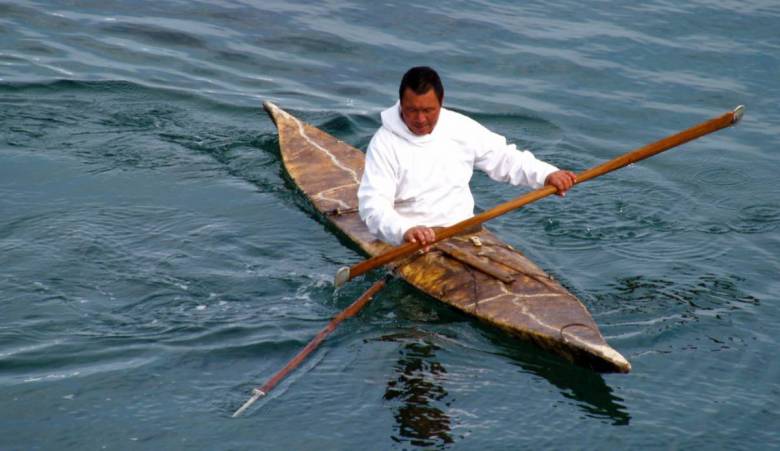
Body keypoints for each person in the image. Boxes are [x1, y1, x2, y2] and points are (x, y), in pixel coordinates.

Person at [358, 66, 576, 248]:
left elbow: (504, 157)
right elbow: (374, 206)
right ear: (401, 104)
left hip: (465, 231)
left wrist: (547, 174)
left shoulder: (459, 127)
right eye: (412, 110)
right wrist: (404, 231)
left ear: (441, 102)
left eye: (428, 110)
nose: (420, 119)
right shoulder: (384, 144)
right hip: (412, 240)